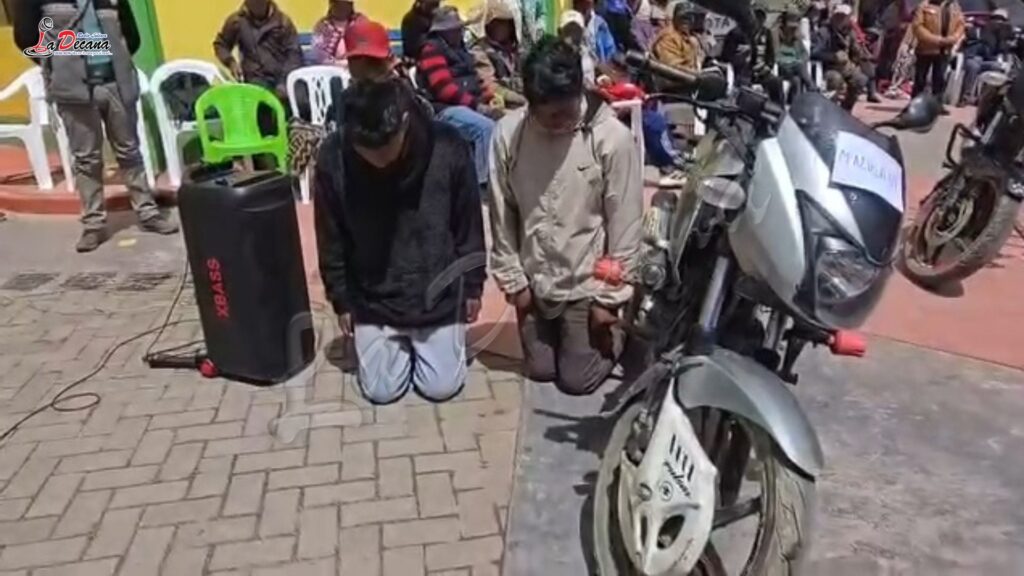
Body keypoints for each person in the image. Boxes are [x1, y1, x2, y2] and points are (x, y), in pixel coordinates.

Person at [314, 78, 486, 405]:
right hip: (373, 296)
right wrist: (342, 300)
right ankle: (386, 345)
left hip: (437, 292)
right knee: (381, 391)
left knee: (441, 388)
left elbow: (468, 223)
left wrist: (472, 285)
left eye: (385, 149)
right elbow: (330, 234)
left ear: (404, 123)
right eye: (368, 152)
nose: (378, 160)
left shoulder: (447, 145)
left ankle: (429, 343)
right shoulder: (334, 157)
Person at [488, 37, 642, 395]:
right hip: (535, 278)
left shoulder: (612, 139)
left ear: (579, 91)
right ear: (531, 103)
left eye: (566, 112)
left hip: (587, 281)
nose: (560, 122)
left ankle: (623, 327)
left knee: (576, 380)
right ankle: (559, 334)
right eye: (550, 116)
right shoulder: (509, 135)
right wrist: (514, 282)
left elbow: (626, 223)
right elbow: (501, 212)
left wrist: (609, 299)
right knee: (540, 370)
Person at [14, 0, 178, 252]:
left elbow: (131, 36)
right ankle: (93, 224)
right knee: (86, 159)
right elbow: (26, 37)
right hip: (73, 89)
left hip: (115, 83)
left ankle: (148, 213)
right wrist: (58, 64)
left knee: (129, 151)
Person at [417, 6, 499, 188]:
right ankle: (482, 185)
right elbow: (444, 90)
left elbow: (473, 79)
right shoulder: (431, 50)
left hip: (467, 104)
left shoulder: (460, 49)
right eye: (455, 29)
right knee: (485, 128)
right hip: (445, 108)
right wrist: (477, 105)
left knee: (505, 121)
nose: (459, 32)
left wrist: (487, 94)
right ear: (444, 31)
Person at [214, 0, 302, 103]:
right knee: (260, 98)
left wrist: (284, 82)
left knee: (301, 99)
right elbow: (221, 44)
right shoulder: (237, 21)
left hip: (282, 77)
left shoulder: (283, 22)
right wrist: (231, 62)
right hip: (255, 79)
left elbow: (294, 54)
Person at [470, 0, 527, 109]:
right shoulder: (479, 51)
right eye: (496, 23)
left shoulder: (517, 50)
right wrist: (517, 98)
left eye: (504, 23)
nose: (500, 28)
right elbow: (488, 85)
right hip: (498, 103)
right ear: (488, 26)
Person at [813, 4, 871, 110]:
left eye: (843, 17)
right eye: (838, 16)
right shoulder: (824, 32)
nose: (840, 19)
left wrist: (860, 54)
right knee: (835, 79)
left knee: (860, 80)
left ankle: (846, 109)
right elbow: (815, 53)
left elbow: (855, 50)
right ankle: (830, 109)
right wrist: (833, 56)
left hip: (846, 66)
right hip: (830, 67)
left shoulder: (849, 32)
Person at [722, 9, 784, 105]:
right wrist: (740, 56)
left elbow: (770, 55)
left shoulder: (766, 33)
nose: (760, 21)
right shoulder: (736, 33)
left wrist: (768, 67)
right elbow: (726, 56)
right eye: (757, 17)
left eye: (762, 18)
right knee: (744, 85)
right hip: (743, 71)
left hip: (761, 70)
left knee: (776, 82)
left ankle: (778, 108)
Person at [910, 0, 965, 100]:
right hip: (925, 49)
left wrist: (954, 38)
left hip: (945, 50)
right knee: (920, 80)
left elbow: (961, 24)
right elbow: (917, 27)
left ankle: (936, 103)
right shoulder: (924, 5)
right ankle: (915, 102)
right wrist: (936, 40)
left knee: (939, 80)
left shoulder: (954, 6)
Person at [958, 8, 1013, 106]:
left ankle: (985, 100)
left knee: (998, 69)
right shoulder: (978, 30)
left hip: (988, 61)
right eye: (996, 19)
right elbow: (968, 47)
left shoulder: (1001, 36)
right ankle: (966, 98)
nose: (998, 23)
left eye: (1001, 20)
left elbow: (1001, 52)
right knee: (973, 66)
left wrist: (1002, 60)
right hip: (973, 58)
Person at [651, 2, 701, 76]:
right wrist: (697, 75)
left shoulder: (690, 37)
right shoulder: (668, 37)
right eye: (683, 17)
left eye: (690, 18)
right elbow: (672, 67)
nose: (686, 21)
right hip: (671, 79)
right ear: (675, 18)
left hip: (689, 77)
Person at [310, 0, 366, 65]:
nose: (341, 8)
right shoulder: (322, 26)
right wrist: (338, 63)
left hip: (358, 66)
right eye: (337, 4)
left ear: (351, 6)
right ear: (331, 5)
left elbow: (367, 48)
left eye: (345, 4)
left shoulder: (360, 21)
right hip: (331, 67)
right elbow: (319, 55)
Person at [776, 10, 816, 102]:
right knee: (800, 66)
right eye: (790, 28)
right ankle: (812, 88)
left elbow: (805, 54)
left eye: (794, 28)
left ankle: (795, 104)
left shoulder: (797, 40)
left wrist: (801, 60)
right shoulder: (777, 37)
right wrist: (788, 61)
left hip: (795, 69)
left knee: (796, 80)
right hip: (782, 67)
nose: (792, 30)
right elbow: (774, 54)